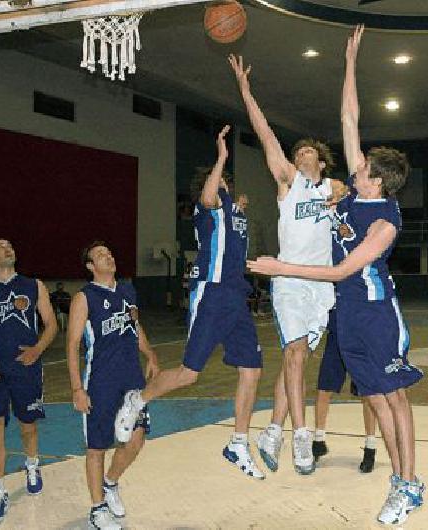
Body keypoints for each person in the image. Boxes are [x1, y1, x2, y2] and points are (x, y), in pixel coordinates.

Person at [248, 25, 425, 526]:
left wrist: (280, 267)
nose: (356, 164)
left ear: (377, 179)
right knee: (374, 397)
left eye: (364, 165)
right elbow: (349, 117)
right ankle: (400, 482)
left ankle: (408, 482)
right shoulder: (353, 193)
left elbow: (342, 269)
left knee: (395, 400)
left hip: (374, 313)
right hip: (345, 314)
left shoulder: (384, 222)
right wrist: (350, 63)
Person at [113, 126, 266, 480]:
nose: (225, 183)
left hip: (236, 296)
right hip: (211, 294)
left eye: (226, 179)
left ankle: (238, 442)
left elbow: (234, 227)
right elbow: (211, 197)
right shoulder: (206, 210)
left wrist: (239, 209)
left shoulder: (234, 213)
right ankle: (139, 399)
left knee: (252, 369)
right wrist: (222, 157)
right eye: (221, 179)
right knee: (189, 374)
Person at [229, 53, 346, 476]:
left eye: (308, 151)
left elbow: (347, 186)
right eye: (297, 151)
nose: (301, 154)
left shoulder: (332, 188)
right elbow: (264, 134)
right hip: (289, 281)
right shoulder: (289, 183)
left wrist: (340, 189)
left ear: (320, 160)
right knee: (294, 356)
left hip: (323, 286)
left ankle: (273, 429)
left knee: (298, 362)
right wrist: (246, 91)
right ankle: (300, 434)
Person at [0, 239, 58, 524]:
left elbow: (51, 323)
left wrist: (38, 349)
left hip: (25, 367)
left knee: (27, 426)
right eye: (1, 246)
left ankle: (32, 463)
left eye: (11, 245)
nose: (8, 248)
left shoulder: (33, 285)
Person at [67, 240, 160, 530]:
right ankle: (97, 509)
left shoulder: (128, 289)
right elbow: (71, 346)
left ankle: (110, 482)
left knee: (137, 437)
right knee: (97, 447)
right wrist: (76, 390)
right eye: (100, 255)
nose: (108, 256)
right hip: (100, 381)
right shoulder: (84, 298)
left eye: (109, 252)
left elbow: (135, 326)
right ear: (90, 266)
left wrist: (151, 354)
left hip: (132, 377)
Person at [312, 308, 381, 473]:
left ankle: (370, 448)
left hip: (361, 339)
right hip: (336, 337)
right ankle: (318, 442)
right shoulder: (331, 284)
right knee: (324, 389)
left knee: (367, 394)